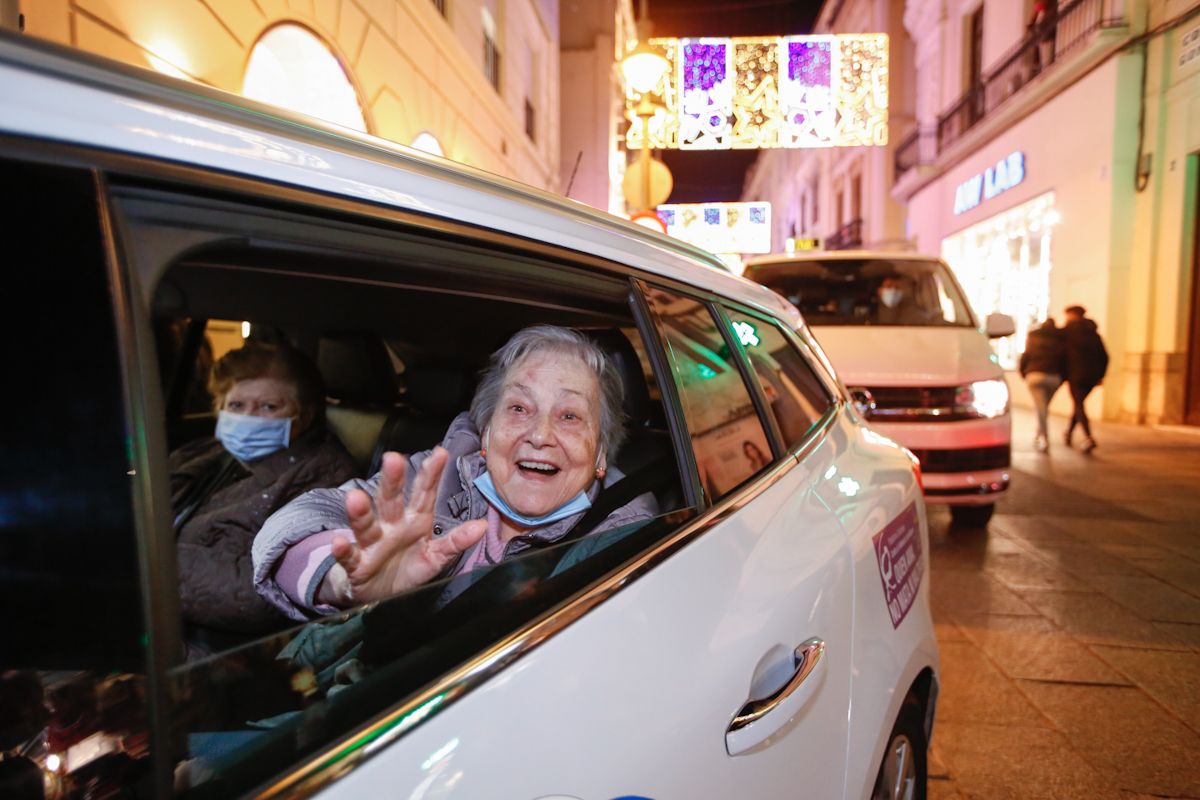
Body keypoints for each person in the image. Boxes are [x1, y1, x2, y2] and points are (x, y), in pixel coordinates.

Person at [253, 325, 659, 620]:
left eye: (569, 416)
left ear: (601, 454)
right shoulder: (443, 473)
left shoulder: (624, 541)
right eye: (519, 408)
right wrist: (346, 579)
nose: (540, 435)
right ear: (486, 433)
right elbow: (293, 523)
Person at [171, 341, 357, 657]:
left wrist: (149, 566)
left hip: (220, 652)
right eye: (236, 405)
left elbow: (267, 591)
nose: (249, 418)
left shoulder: (324, 478)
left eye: (268, 406)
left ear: (305, 415)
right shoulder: (208, 454)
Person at [1062, 305, 1109, 453]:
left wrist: (1062, 373)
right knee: (1079, 404)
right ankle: (1069, 433)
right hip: (1092, 376)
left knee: (1079, 404)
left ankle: (1088, 437)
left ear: (1072, 315)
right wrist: (1101, 375)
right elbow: (1105, 357)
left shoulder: (1068, 333)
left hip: (1075, 374)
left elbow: (1061, 355)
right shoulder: (1094, 334)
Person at [1019, 317, 1066, 452]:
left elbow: (1026, 355)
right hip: (1054, 377)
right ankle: (1039, 435)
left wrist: (1023, 372)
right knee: (1043, 408)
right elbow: (1064, 359)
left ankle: (1043, 437)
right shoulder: (1061, 339)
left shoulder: (1033, 337)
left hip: (1035, 375)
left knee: (1041, 409)